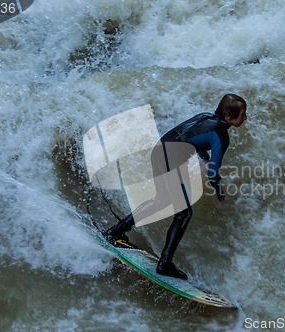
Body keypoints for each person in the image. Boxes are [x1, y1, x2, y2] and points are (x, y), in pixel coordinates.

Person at [103, 93, 248, 279]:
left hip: (158, 151)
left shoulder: (204, 116)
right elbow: (213, 171)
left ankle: (115, 232)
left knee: (161, 200)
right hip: (171, 159)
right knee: (184, 213)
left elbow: (192, 135)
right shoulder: (222, 134)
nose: (245, 118)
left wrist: (204, 157)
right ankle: (165, 264)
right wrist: (219, 191)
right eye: (242, 114)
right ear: (229, 115)